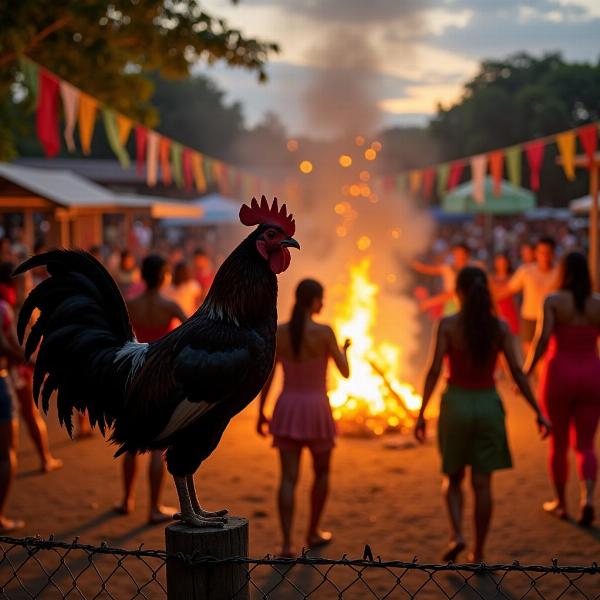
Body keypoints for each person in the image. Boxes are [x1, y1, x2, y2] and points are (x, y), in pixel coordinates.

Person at [415, 266, 550, 563]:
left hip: (456, 405)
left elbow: (435, 369)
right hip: (488, 405)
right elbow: (517, 372)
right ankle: (479, 551)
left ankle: (457, 535)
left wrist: (422, 412)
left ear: (459, 293)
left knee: (452, 477)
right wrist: (538, 411)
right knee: (482, 484)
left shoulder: (447, 325)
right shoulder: (499, 327)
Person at [257, 279, 350, 557]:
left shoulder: (280, 333)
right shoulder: (324, 332)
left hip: (287, 408)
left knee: (288, 479)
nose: (323, 304)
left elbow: (268, 376)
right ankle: (312, 531)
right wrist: (345, 350)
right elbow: (345, 373)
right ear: (313, 301)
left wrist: (261, 411)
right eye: (321, 299)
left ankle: (286, 545)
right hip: (317, 409)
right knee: (321, 473)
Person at [524, 252, 600, 526]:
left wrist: (527, 371)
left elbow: (541, 340)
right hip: (592, 374)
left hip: (559, 375)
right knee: (586, 445)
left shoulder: (553, 301)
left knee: (558, 445)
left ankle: (561, 504)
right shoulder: (597, 304)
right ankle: (588, 499)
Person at [115, 255, 187, 524]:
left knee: (130, 441)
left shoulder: (130, 304)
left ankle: (126, 499)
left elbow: (120, 335)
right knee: (158, 445)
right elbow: (192, 329)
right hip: (161, 377)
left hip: (134, 372)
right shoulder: (169, 305)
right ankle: (154, 506)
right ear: (164, 275)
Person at [505, 237, 558, 360]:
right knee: (530, 355)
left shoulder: (559, 272)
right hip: (529, 319)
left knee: (548, 356)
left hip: (551, 320)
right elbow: (508, 289)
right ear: (536, 254)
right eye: (541, 252)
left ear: (553, 254)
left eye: (548, 252)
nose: (544, 256)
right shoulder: (526, 271)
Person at [0, 301, 28, 532]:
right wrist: (29, 360)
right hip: (0, 380)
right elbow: (3, 345)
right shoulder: (1, 308)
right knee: (7, 452)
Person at [412, 243, 474, 315]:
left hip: (464, 308)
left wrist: (429, 303)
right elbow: (429, 269)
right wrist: (414, 264)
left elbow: (454, 293)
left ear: (467, 256)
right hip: (450, 305)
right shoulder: (447, 268)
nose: (458, 257)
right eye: (456, 253)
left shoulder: (471, 272)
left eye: (461, 254)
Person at [491, 253, 519, 337]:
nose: (501, 265)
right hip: (497, 312)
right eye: (499, 263)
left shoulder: (514, 277)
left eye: (503, 263)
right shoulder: (492, 278)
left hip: (512, 312)